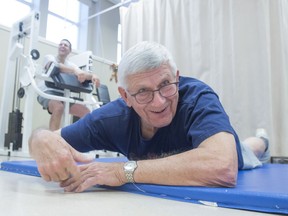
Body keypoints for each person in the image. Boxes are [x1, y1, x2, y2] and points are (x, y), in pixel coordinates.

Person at [29, 41, 270, 193]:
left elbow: (222, 167)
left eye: (166, 84)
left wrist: (122, 171)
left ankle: (262, 140)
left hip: (224, 148)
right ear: (125, 96)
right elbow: (50, 140)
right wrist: (41, 140)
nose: (160, 101)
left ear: (176, 76)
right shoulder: (110, 119)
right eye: (143, 91)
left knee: (250, 150)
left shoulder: (197, 97)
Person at [37, 39, 100, 130]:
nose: (62, 46)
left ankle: (81, 139)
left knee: (86, 112)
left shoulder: (71, 65)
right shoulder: (49, 57)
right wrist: (75, 70)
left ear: (70, 50)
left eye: (65, 45)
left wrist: (93, 76)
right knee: (59, 107)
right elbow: (54, 66)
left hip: (63, 96)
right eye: (61, 44)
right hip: (46, 92)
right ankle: (53, 140)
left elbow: (82, 74)